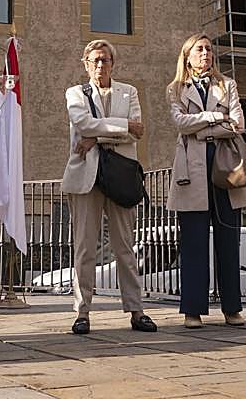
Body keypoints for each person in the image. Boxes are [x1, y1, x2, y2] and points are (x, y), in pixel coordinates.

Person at [61, 39, 157, 335]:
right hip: (85, 177)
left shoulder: (129, 91)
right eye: (95, 60)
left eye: (105, 60)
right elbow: (83, 125)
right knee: (84, 247)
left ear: (112, 63)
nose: (100, 65)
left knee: (125, 247)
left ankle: (136, 310)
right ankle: (82, 311)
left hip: (119, 176)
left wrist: (97, 138)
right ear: (86, 63)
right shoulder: (75, 92)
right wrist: (121, 127)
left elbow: (137, 131)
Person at [166, 33, 246, 328]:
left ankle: (232, 308)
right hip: (192, 170)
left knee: (228, 240)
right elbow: (179, 122)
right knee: (193, 242)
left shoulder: (228, 84)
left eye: (209, 49)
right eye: (199, 49)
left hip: (225, 166)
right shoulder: (175, 88)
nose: (206, 53)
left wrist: (201, 126)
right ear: (188, 56)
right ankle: (193, 310)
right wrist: (212, 118)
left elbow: (237, 124)